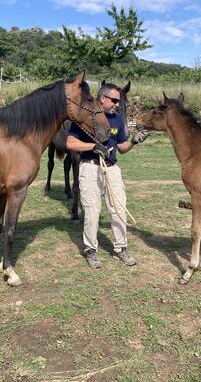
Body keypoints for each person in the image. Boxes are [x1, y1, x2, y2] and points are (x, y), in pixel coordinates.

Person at [66, 83, 149, 268]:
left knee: (119, 209)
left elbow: (122, 148)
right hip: (90, 167)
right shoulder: (85, 115)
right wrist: (93, 146)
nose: (117, 104)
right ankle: (90, 250)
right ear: (102, 98)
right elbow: (70, 143)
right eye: (114, 100)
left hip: (111, 169)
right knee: (92, 211)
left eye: (118, 101)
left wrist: (134, 141)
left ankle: (121, 248)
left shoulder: (117, 119)